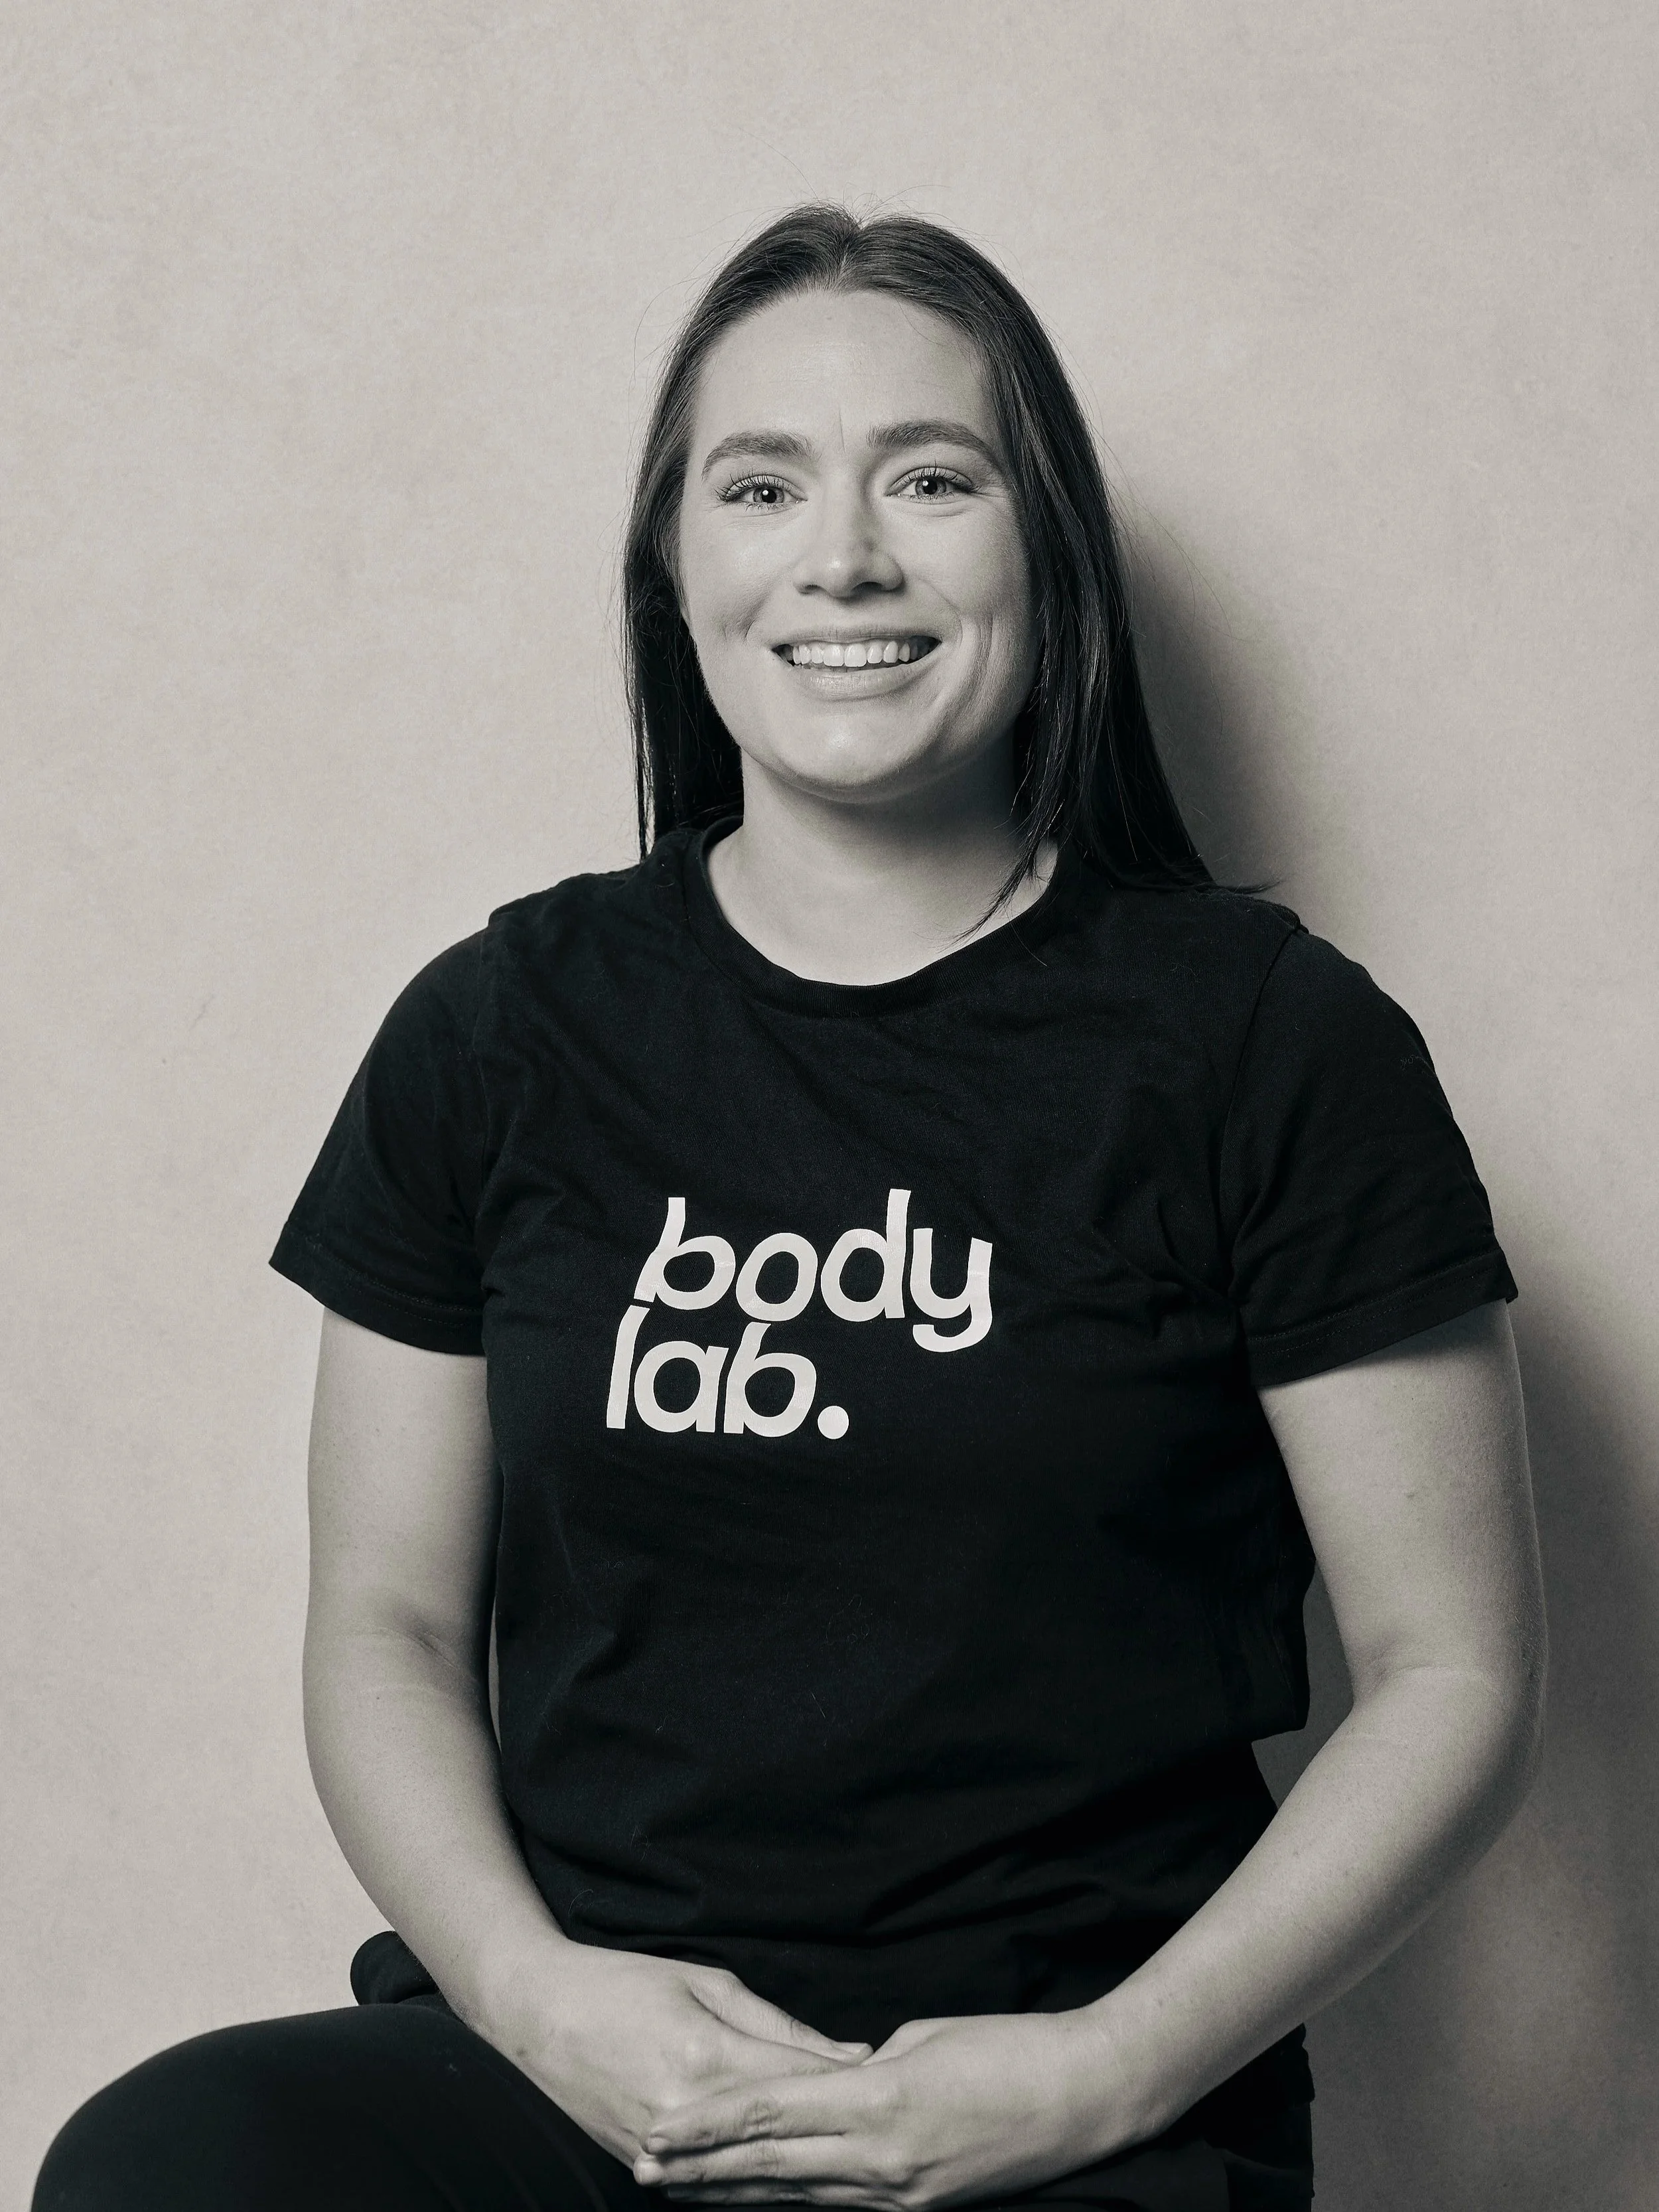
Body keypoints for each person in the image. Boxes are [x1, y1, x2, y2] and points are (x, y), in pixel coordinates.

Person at [35, 205, 1545, 2212]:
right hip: (586, 2078)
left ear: (1048, 551)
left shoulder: (1265, 1044)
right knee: (166, 2161)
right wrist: (536, 1996)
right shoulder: (500, 1029)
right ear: (679, 566)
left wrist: (1101, 2073)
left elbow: (1450, 1669)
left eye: (933, 478)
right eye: (761, 486)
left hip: (1070, 2105)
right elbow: (384, 1622)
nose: (843, 555)